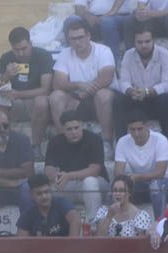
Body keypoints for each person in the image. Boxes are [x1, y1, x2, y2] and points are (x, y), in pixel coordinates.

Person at [50, 19, 118, 153]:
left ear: (88, 36)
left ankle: (107, 142)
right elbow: (57, 83)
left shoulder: (103, 51)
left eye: (80, 37)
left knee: (103, 94)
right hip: (77, 99)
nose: (77, 42)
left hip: (99, 100)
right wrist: (79, 84)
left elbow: (106, 78)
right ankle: (63, 141)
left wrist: (81, 96)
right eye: (72, 39)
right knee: (55, 96)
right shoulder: (65, 54)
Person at [0, 27, 54, 151]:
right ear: (11, 47)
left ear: (31, 44)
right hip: (14, 102)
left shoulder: (43, 56)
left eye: (24, 49)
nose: (20, 53)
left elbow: (46, 89)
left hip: (33, 100)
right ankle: (1, 141)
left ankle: (36, 147)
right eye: (16, 50)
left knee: (41, 101)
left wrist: (19, 94)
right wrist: (6, 75)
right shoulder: (7, 57)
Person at [115, 24, 168, 145]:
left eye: (147, 41)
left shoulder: (165, 55)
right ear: (134, 42)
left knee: (166, 99)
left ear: (153, 40)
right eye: (140, 42)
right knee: (118, 100)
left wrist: (148, 92)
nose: (144, 45)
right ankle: (120, 144)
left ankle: (167, 145)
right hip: (136, 99)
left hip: (157, 101)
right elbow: (123, 81)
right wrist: (130, 91)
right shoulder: (128, 55)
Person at [45, 110, 111, 221]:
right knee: (46, 189)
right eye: (69, 129)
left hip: (97, 183)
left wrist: (69, 176)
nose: (74, 132)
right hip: (68, 183)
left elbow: (94, 170)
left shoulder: (94, 139)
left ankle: (93, 222)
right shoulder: (55, 142)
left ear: (82, 125)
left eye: (76, 128)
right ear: (63, 130)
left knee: (90, 182)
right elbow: (48, 169)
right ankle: (53, 226)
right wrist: (57, 177)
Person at [114, 114, 168, 218]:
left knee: (156, 185)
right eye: (132, 130)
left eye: (139, 129)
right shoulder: (123, 141)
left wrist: (135, 177)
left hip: (166, 185)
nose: (136, 133)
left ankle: (159, 224)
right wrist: (126, 181)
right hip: (140, 185)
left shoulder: (160, 140)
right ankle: (120, 225)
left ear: (147, 126)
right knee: (116, 189)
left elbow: (160, 173)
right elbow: (118, 173)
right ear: (128, 129)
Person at [120, 0, 168, 71]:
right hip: (158, 19)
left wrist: (152, 14)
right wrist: (140, 13)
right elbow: (141, 6)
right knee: (129, 21)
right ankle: (132, 65)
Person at [17, 175, 82, 237]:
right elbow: (20, 241)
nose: (44, 196)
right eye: (39, 194)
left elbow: (75, 219)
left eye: (46, 192)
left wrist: (72, 245)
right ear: (31, 194)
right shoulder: (28, 213)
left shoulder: (61, 203)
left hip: (65, 247)